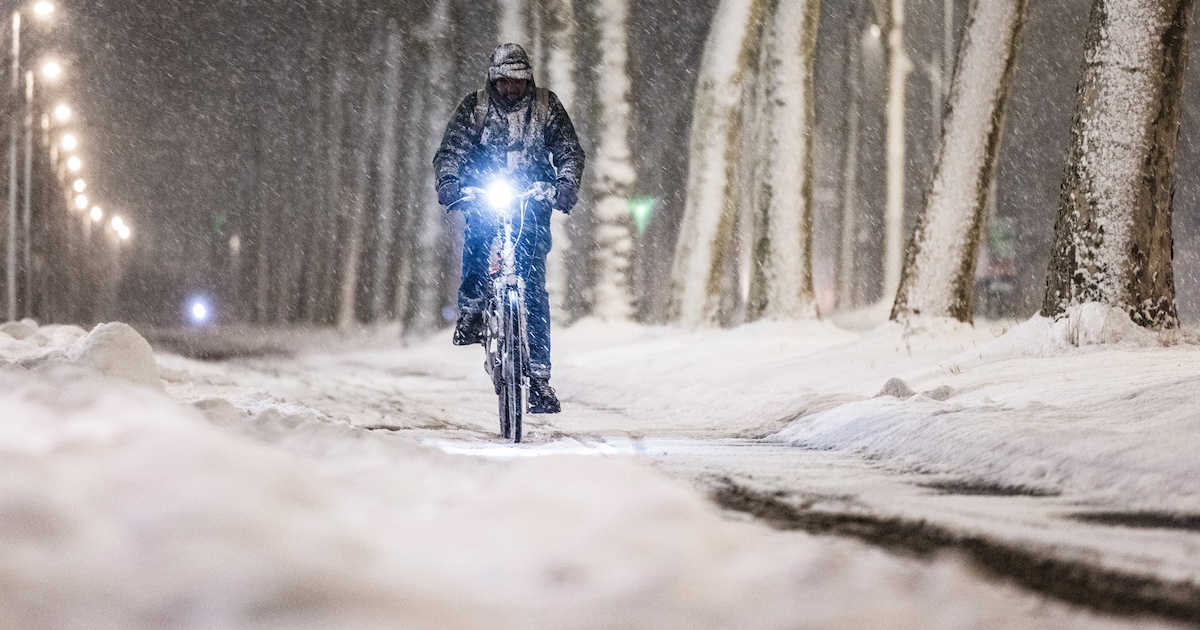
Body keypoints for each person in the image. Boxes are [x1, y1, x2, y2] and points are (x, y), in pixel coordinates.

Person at [433, 43, 585, 414]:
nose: (511, 87)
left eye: (517, 80)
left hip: (532, 201)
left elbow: (569, 150)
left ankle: (540, 380)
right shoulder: (475, 107)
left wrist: (565, 184)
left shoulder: (546, 106)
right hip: (484, 195)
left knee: (532, 286)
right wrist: (450, 181)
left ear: (528, 78)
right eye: (503, 81)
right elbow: (451, 150)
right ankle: (472, 311)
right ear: (493, 79)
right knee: (477, 242)